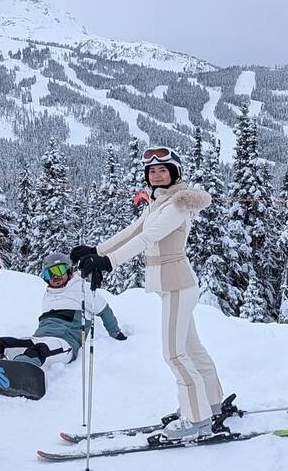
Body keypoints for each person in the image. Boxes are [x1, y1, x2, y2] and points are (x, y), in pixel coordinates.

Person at [71, 147, 225, 442]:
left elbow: (147, 238)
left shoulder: (177, 205)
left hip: (178, 284)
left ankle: (197, 418)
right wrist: (96, 251)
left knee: (174, 354)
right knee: (191, 349)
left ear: (174, 173)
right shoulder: (158, 202)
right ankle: (211, 403)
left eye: (163, 170)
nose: (156, 175)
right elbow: (132, 231)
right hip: (174, 285)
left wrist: (109, 262)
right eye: (152, 171)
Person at [0, 251, 126, 366]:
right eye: (50, 274)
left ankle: (23, 369)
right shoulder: (48, 294)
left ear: (69, 271)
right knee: (2, 343)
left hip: (65, 343)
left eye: (59, 270)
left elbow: (104, 310)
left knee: (39, 351)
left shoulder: (82, 288)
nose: (55, 277)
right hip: (39, 338)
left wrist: (116, 332)